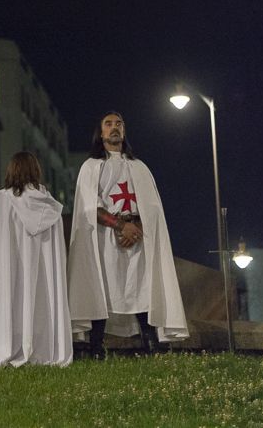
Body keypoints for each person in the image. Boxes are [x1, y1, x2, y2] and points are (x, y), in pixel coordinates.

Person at [67, 112, 187, 359]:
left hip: (138, 237)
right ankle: (96, 348)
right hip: (105, 238)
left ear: (124, 131)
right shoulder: (90, 167)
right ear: (101, 133)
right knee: (102, 288)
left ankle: (151, 345)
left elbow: (152, 206)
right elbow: (89, 206)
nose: (114, 128)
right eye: (108, 124)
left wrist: (137, 227)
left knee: (143, 287)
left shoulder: (139, 167)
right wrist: (121, 226)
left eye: (119, 124)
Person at [0, 151, 72, 367]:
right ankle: (41, 349)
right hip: (41, 278)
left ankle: (4, 346)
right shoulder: (50, 205)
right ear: (37, 171)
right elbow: (58, 250)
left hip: (7, 273)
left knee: (9, 302)